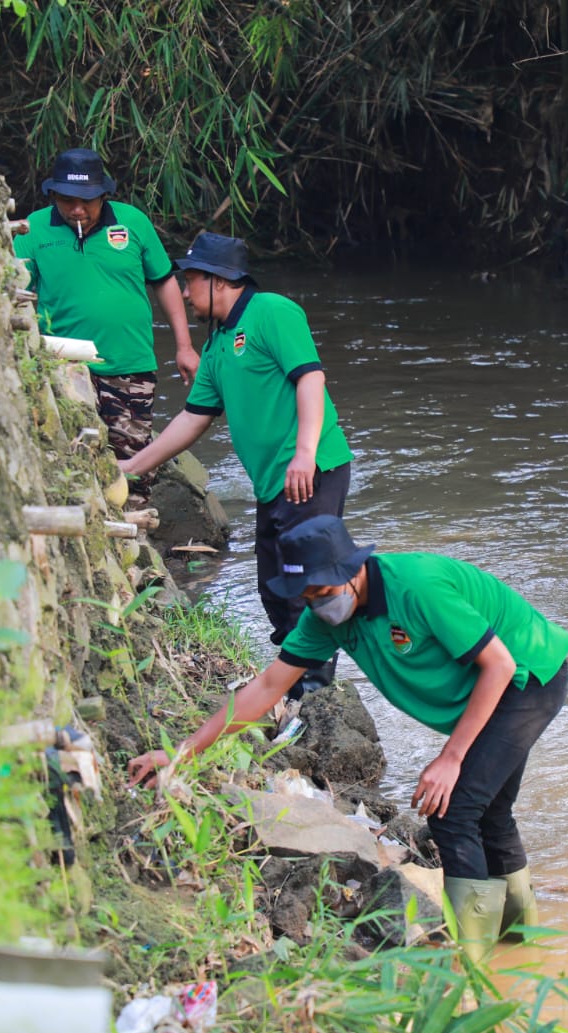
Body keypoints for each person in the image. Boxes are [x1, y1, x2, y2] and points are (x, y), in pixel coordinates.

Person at [127, 515, 568, 962]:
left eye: (323, 593)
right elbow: (266, 689)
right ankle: (519, 945)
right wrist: (180, 753)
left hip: (526, 679)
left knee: (455, 810)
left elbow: (500, 666)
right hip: (488, 688)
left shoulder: (417, 587)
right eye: (307, 597)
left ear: (354, 570)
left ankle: (472, 964)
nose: (318, 606)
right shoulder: (326, 617)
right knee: (489, 812)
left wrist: (450, 758)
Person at [120, 233, 353, 698]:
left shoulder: (273, 311)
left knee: (309, 583)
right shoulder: (218, 345)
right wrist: (130, 467)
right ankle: (295, 682)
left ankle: (320, 693)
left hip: (314, 468)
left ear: (220, 281)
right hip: (273, 482)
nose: (184, 293)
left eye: (191, 281)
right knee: (274, 586)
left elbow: (310, 378)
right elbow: (193, 418)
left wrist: (304, 453)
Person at [13, 148, 198, 461]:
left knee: (135, 463)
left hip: (130, 366)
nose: (77, 210)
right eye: (68, 200)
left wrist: (184, 346)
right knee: (73, 458)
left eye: (86, 201)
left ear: (104, 196)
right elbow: (15, 293)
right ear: (53, 194)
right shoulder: (32, 230)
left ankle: (136, 509)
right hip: (64, 366)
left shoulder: (133, 222)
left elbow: (164, 281)